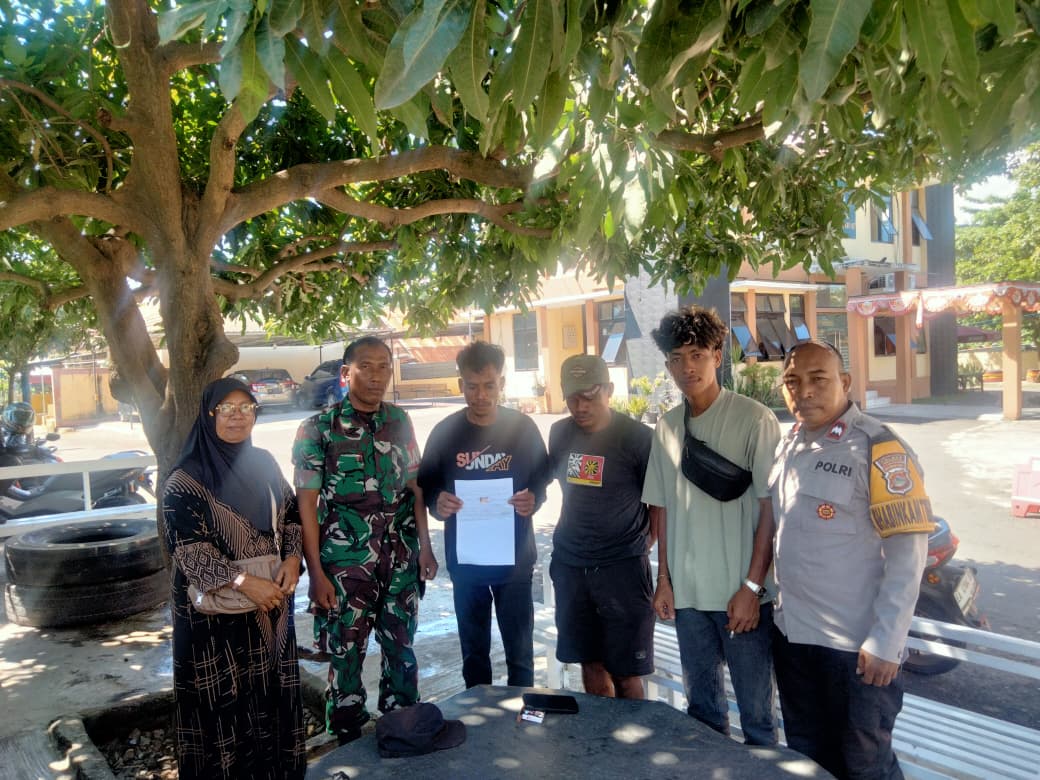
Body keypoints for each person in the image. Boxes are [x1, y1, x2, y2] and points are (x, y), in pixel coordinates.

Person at [770, 339, 930, 779]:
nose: (803, 391)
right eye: (792, 381)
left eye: (818, 379)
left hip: (856, 650)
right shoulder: (789, 444)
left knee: (865, 766)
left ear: (845, 382)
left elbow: (908, 554)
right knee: (807, 760)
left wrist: (886, 640)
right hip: (795, 638)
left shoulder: (879, 448)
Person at [642, 306, 781, 745]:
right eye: (677, 358)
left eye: (697, 354)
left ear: (717, 356)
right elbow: (662, 510)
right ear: (668, 366)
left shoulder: (755, 419)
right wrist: (664, 581)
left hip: (742, 597)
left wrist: (752, 588)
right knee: (702, 715)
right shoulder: (667, 427)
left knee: (758, 718)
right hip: (688, 600)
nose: (687, 367)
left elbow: (770, 509)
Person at [292, 336, 438, 744]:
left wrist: (426, 548)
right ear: (346, 373)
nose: (377, 376)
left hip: (401, 560)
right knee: (346, 655)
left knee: (401, 650)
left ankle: (403, 730)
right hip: (345, 565)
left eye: (384, 366)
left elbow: (416, 487)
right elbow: (306, 507)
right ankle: (347, 740)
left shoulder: (400, 421)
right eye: (366, 366)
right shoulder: (317, 429)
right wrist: (315, 574)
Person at [162, 377, 306, 779]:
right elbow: (188, 551)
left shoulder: (263, 463)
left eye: (246, 408)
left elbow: (291, 514)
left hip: (270, 607)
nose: (237, 417)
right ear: (209, 415)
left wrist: (292, 558)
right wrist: (244, 583)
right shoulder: (184, 479)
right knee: (221, 707)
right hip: (214, 622)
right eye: (226, 408)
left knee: (271, 701)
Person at [417, 341, 548, 688]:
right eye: (472, 386)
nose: (481, 395)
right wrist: (438, 503)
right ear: (461, 384)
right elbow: (427, 485)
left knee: (520, 655)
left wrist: (534, 498)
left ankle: (521, 713)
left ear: (501, 383)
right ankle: (477, 714)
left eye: (489, 385)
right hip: (467, 563)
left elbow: (542, 477)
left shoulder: (523, 428)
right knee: (474, 655)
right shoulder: (445, 432)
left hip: (514, 561)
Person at [546, 354, 658, 699]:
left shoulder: (638, 438)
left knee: (626, 674)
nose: (580, 406)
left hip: (622, 571)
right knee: (590, 664)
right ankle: (601, 732)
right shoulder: (559, 433)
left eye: (589, 396)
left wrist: (643, 544)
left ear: (609, 390)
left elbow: (659, 503)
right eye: (572, 397)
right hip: (571, 566)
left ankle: (633, 734)